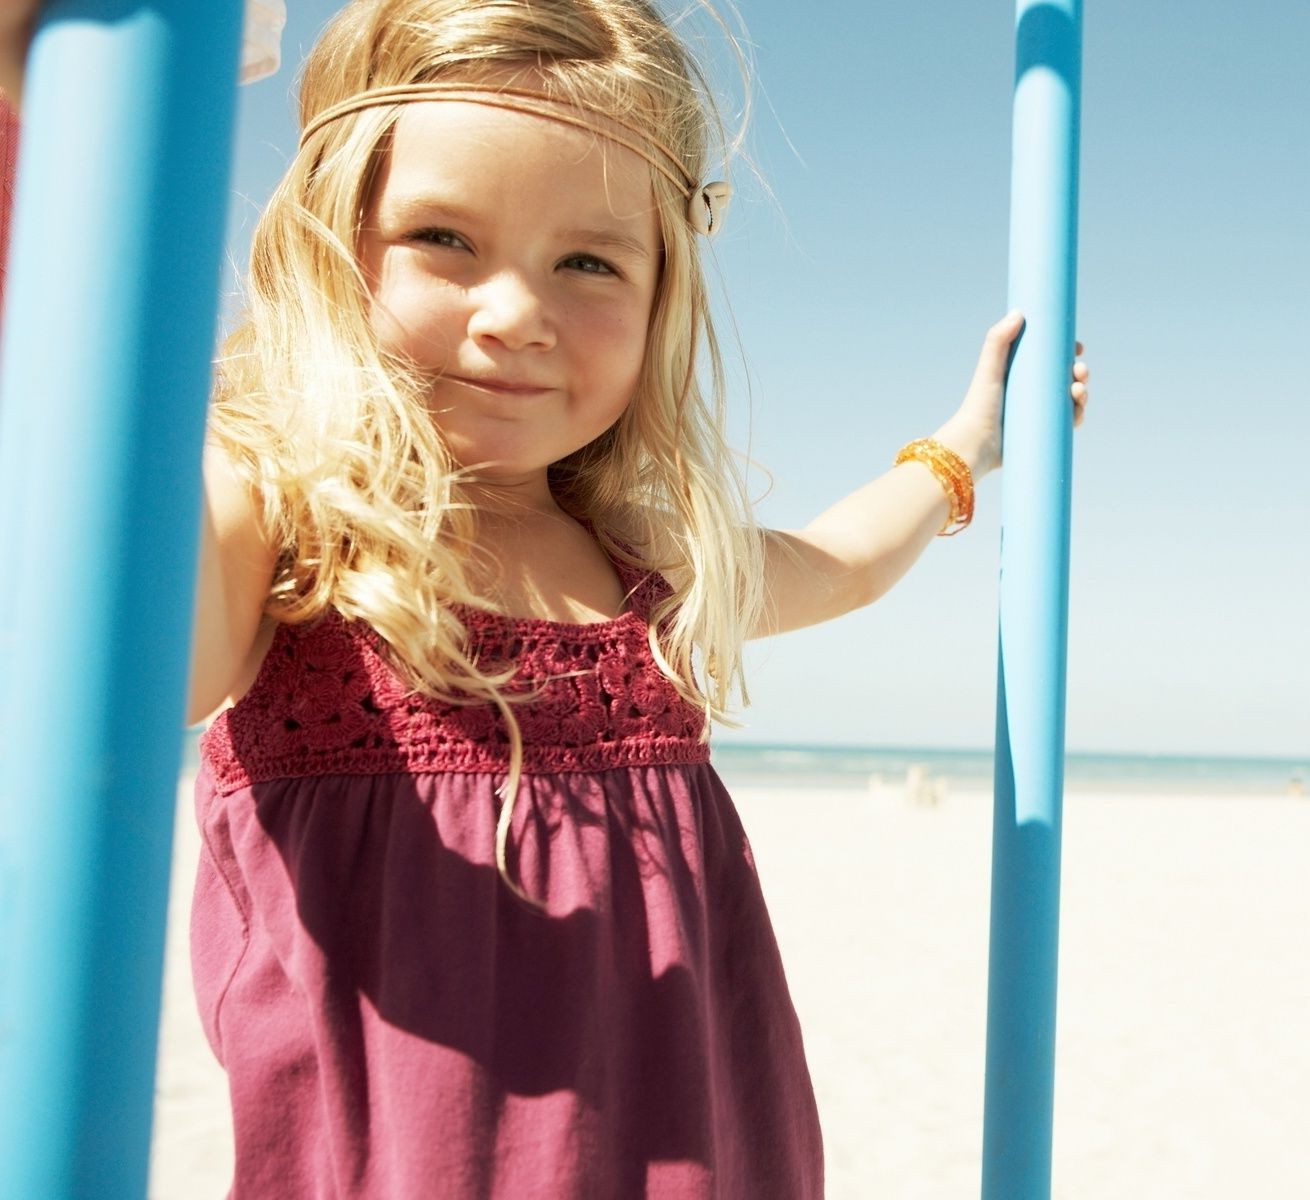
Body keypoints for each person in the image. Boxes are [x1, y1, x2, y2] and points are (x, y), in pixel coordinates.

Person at [13, 2, 1090, 1196]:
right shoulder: (281, 520)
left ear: (662, 295)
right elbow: (116, 641)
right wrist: (44, 122)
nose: (518, 315)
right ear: (330, 244)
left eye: (588, 262)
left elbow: (842, 560)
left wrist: (967, 446)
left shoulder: (645, 565)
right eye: (442, 238)